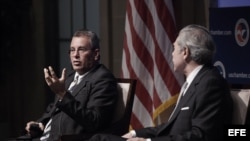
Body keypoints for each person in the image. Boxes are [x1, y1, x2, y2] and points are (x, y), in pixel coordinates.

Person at [87, 24, 233, 141]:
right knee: (100, 138)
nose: (171, 53)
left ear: (185, 52)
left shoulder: (210, 83)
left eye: (174, 48)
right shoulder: (194, 81)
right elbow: (171, 127)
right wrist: (135, 133)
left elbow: (201, 135)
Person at [23, 29, 118, 141]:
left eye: (81, 50)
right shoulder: (70, 77)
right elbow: (53, 109)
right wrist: (40, 123)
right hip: (42, 136)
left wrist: (63, 94)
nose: (75, 55)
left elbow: (94, 121)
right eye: (72, 50)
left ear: (96, 54)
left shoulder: (103, 79)